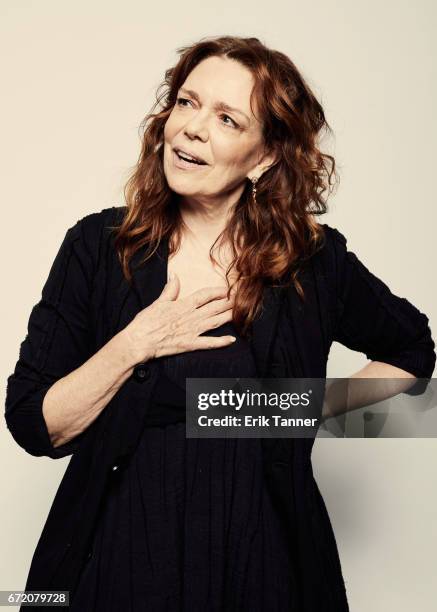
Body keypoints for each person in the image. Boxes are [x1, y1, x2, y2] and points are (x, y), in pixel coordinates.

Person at [4, 35, 435, 612]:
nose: (193, 127)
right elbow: (35, 425)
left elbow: (413, 349)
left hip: (266, 561)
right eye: (187, 102)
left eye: (228, 118)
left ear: (264, 156)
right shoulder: (97, 247)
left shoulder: (313, 260)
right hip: (117, 559)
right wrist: (136, 343)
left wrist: (303, 406)